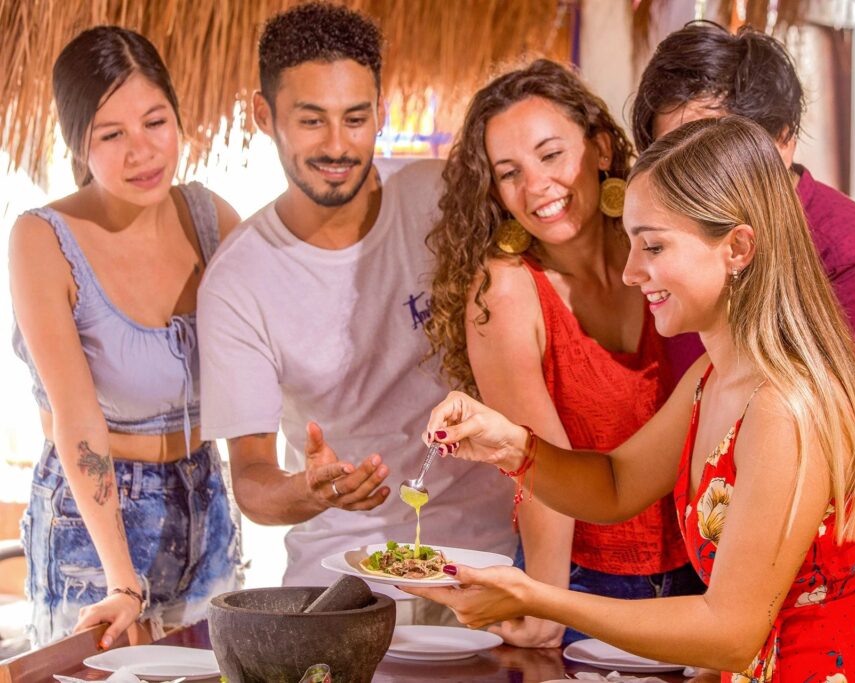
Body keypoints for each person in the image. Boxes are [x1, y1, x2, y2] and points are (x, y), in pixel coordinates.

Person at [409, 116, 855, 683]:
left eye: (654, 245)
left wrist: (537, 598)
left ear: (737, 247)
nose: (633, 272)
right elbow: (615, 485)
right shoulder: (714, 375)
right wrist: (509, 447)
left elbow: (729, 633)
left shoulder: (785, 405)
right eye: (632, 243)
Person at [631, 21, 855, 680]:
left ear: (783, 141)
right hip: (755, 612)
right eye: (668, 147)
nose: (684, 172)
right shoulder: (679, 258)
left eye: (711, 144)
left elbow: (785, 454)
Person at [196, 2, 515, 620]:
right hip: (346, 583)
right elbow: (255, 483)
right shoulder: (238, 282)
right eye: (311, 120)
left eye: (355, 118)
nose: (337, 145)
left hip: (497, 566)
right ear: (265, 116)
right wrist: (308, 490)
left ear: (382, 112)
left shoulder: (444, 200)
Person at [424, 59, 701, 648]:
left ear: (600, 148)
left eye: (552, 156)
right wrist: (546, 604)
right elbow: (535, 466)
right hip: (585, 584)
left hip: (705, 570)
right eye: (510, 173)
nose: (537, 187)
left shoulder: (661, 243)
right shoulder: (504, 292)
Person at [11, 26, 242, 648]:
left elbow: (264, 359)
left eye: (154, 122)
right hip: (95, 525)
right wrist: (122, 582)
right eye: (112, 135)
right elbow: (76, 418)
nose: (141, 151)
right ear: (78, 142)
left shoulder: (212, 218)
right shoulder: (42, 239)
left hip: (207, 500)